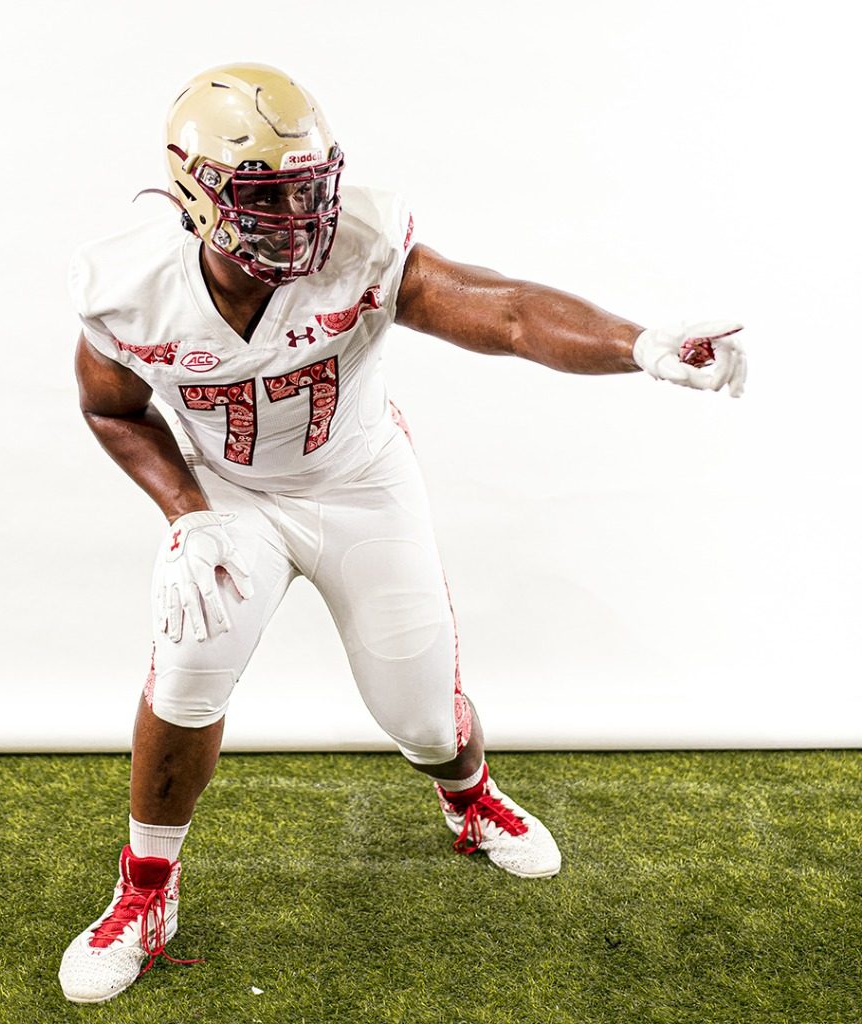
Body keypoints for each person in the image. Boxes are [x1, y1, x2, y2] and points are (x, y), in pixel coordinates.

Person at [58, 63, 747, 1004]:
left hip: (359, 486)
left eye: (310, 185)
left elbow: (503, 311)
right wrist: (187, 515)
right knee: (187, 668)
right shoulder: (128, 286)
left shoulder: (365, 244)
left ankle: (467, 801)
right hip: (231, 497)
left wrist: (639, 346)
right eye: (267, 194)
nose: (299, 214)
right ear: (195, 191)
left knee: (421, 715)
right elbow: (113, 410)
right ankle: (144, 891)